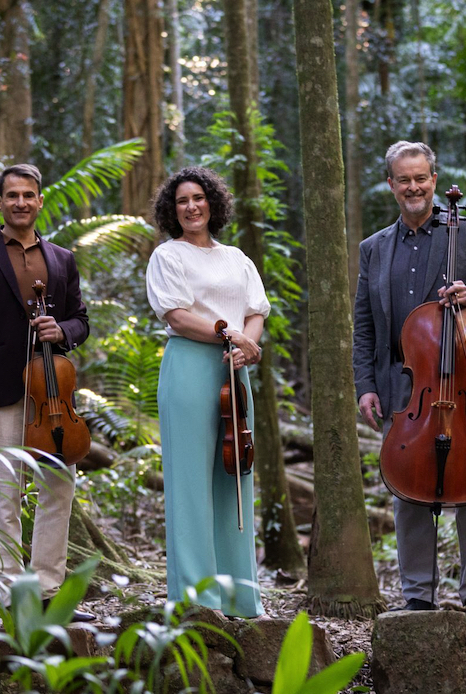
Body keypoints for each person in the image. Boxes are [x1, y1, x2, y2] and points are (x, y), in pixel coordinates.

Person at [353, 141, 466, 616]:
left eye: (421, 178)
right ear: (391, 185)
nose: (414, 187)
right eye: (404, 179)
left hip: (461, 380)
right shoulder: (373, 249)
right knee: (408, 488)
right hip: (404, 381)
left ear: (434, 181)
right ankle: (418, 595)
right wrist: (366, 386)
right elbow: (364, 326)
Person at [0, 164, 94, 622]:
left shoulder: (62, 259)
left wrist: (62, 330)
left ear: (40, 201)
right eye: (12, 195)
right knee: (5, 492)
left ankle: (48, 586)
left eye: (29, 195)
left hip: (53, 395)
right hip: (2, 393)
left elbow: (81, 320)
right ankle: (8, 591)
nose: (20, 202)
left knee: (58, 489)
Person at [146, 167, 269, 618]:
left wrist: (247, 345)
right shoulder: (168, 256)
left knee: (235, 478)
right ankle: (198, 598)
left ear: (212, 203)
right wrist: (229, 335)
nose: (192, 206)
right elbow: (176, 316)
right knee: (192, 483)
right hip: (190, 370)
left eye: (198, 198)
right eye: (182, 201)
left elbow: (256, 310)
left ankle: (240, 595)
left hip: (235, 371)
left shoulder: (237, 257)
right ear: (171, 210)